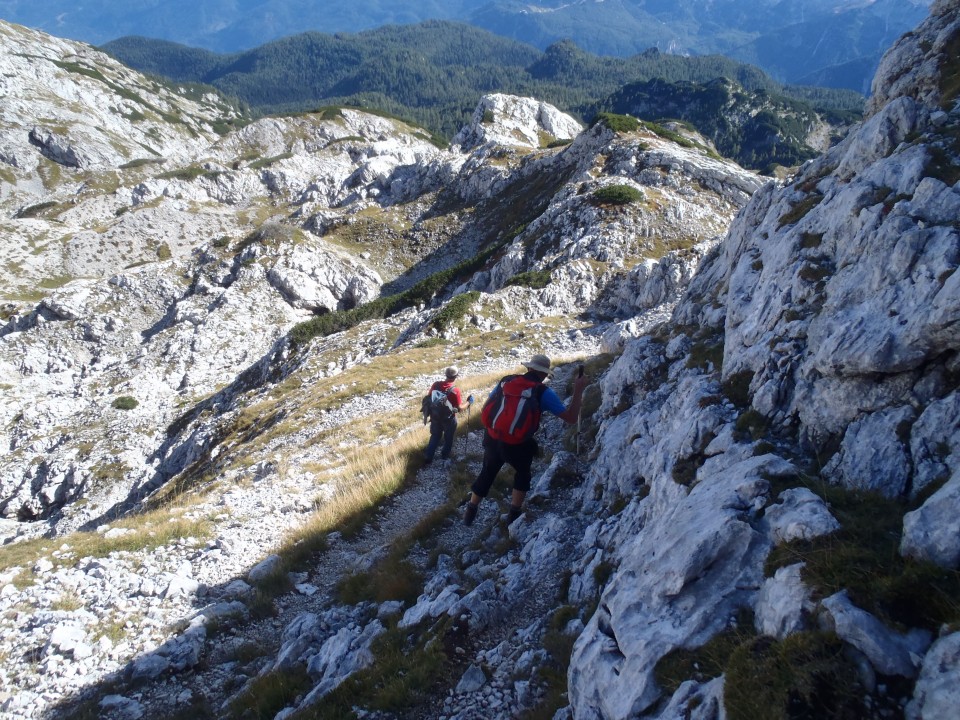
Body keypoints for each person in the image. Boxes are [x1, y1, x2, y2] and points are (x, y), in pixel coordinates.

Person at [464, 354, 587, 526]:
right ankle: (513, 515)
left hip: (493, 436)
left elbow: (489, 405)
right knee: (522, 474)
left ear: (529, 368)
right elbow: (571, 417)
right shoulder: (542, 391)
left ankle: (470, 510)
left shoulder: (505, 381)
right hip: (517, 444)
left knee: (488, 471)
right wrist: (579, 390)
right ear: (544, 374)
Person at [424, 366, 464, 464]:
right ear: (456, 376)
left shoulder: (435, 385)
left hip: (435, 417)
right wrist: (469, 402)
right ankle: (445, 456)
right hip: (449, 419)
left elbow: (429, 397)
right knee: (448, 437)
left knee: (435, 436)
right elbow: (459, 408)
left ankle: (428, 457)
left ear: (445, 375)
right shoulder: (455, 391)